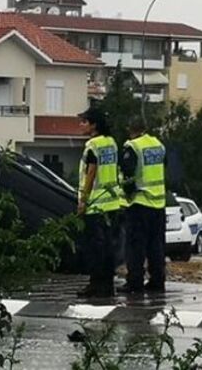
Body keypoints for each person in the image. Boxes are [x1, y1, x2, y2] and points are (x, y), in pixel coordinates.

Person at [76, 106, 123, 298]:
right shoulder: (111, 143)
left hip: (96, 205)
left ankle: (95, 285)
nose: (81, 125)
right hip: (112, 203)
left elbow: (91, 173)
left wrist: (83, 201)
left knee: (95, 249)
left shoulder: (92, 145)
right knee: (108, 247)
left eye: (84, 122)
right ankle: (108, 285)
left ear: (94, 125)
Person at [118, 116, 167, 294]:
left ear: (129, 129)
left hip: (139, 203)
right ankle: (157, 281)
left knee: (135, 246)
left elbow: (129, 176)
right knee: (156, 246)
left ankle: (135, 282)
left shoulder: (132, 147)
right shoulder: (158, 144)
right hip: (158, 203)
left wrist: (127, 196)